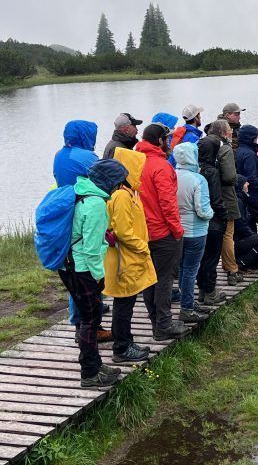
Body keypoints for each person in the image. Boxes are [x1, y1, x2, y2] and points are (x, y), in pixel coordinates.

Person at [58, 158, 128, 388]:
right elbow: (90, 249)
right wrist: (99, 276)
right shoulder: (96, 204)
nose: (120, 187)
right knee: (90, 319)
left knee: (85, 317)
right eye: (118, 182)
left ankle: (96, 365)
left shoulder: (80, 191)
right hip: (83, 269)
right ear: (109, 182)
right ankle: (90, 373)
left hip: (68, 265)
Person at [52, 120, 111, 341]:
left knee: (73, 269)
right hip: (86, 211)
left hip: (68, 214)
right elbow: (102, 180)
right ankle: (89, 324)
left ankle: (78, 317)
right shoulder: (87, 158)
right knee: (88, 270)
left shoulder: (60, 154)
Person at [135, 124, 189, 340]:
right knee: (164, 279)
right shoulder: (161, 166)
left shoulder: (134, 162)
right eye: (166, 139)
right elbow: (168, 203)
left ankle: (156, 323)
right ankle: (165, 325)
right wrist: (177, 230)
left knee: (148, 278)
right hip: (162, 232)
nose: (169, 142)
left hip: (141, 232)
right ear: (158, 141)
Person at [103, 148, 156, 364]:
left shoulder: (128, 192)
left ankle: (126, 342)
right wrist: (142, 247)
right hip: (126, 259)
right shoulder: (122, 196)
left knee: (126, 303)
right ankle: (121, 348)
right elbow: (123, 232)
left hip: (129, 257)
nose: (141, 172)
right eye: (138, 168)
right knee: (124, 305)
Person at [174, 142, 215, 322]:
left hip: (177, 230)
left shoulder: (171, 176)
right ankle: (187, 307)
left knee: (183, 268)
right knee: (191, 270)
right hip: (196, 231)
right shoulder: (198, 179)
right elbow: (202, 210)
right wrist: (212, 214)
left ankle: (186, 300)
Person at [206, 119, 242, 284]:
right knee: (228, 233)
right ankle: (231, 268)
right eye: (229, 129)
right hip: (224, 195)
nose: (231, 132)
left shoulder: (204, 145)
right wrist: (237, 179)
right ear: (223, 132)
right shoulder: (224, 148)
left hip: (207, 194)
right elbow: (229, 176)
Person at [196, 134, 229, 303]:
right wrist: (224, 216)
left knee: (202, 258)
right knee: (212, 258)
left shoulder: (194, 169)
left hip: (197, 222)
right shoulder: (212, 172)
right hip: (213, 221)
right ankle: (210, 292)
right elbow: (216, 199)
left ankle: (202, 290)